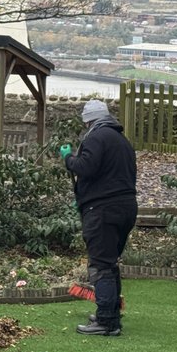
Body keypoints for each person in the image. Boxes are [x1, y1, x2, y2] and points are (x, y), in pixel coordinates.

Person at [60, 99, 137, 336]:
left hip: (102, 210)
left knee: (101, 265)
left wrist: (68, 158)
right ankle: (111, 313)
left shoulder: (96, 137)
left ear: (89, 121)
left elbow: (86, 167)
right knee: (110, 262)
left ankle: (106, 321)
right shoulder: (123, 142)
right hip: (126, 207)